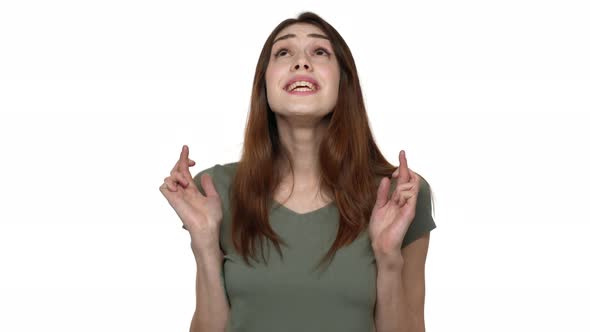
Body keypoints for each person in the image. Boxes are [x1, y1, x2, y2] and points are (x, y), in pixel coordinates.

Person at [160, 11, 436, 332]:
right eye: (283, 52)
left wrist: (388, 258)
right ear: (264, 83)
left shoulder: (397, 194)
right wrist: (205, 244)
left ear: (343, 82)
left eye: (319, 52)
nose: (301, 62)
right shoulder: (215, 190)